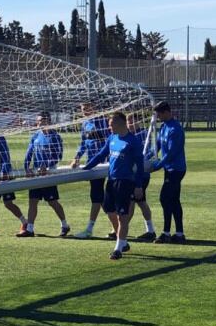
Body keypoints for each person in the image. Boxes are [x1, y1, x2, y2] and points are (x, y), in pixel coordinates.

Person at [83, 112, 145, 259]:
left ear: (120, 123)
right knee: (109, 210)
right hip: (111, 181)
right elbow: (100, 155)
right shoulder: (111, 138)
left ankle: (118, 249)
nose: (109, 127)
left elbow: (140, 166)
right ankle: (123, 242)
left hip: (125, 182)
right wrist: (85, 168)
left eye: (111, 125)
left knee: (123, 216)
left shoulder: (133, 141)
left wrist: (139, 186)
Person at [17, 113, 70, 237]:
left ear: (48, 121)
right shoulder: (36, 135)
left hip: (49, 174)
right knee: (33, 201)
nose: (39, 123)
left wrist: (46, 166)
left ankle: (64, 225)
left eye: (41, 120)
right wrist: (26, 167)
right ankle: (30, 229)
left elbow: (58, 156)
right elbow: (29, 152)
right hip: (36, 174)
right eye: (38, 121)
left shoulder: (55, 137)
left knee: (52, 202)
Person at [71, 103, 113, 239]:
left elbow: (110, 140)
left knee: (97, 195)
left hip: (104, 163)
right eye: (83, 109)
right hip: (92, 163)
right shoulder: (85, 124)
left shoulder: (103, 121)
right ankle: (116, 227)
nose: (85, 112)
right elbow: (83, 143)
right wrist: (76, 157)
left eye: (87, 108)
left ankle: (89, 229)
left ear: (94, 107)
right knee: (99, 196)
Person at [150, 101, 187, 244]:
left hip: (176, 169)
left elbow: (172, 152)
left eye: (159, 114)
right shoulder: (164, 127)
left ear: (166, 112)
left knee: (165, 198)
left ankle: (166, 233)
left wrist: (158, 165)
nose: (158, 117)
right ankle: (179, 234)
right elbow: (158, 145)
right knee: (173, 200)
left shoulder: (175, 129)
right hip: (169, 168)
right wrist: (146, 156)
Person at [127, 113, 157, 240]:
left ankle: (120, 230)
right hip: (130, 174)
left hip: (141, 174)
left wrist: (142, 159)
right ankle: (150, 230)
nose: (130, 124)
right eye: (128, 121)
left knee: (131, 202)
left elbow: (151, 150)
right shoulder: (127, 135)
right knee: (141, 201)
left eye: (132, 121)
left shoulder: (144, 134)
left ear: (138, 121)